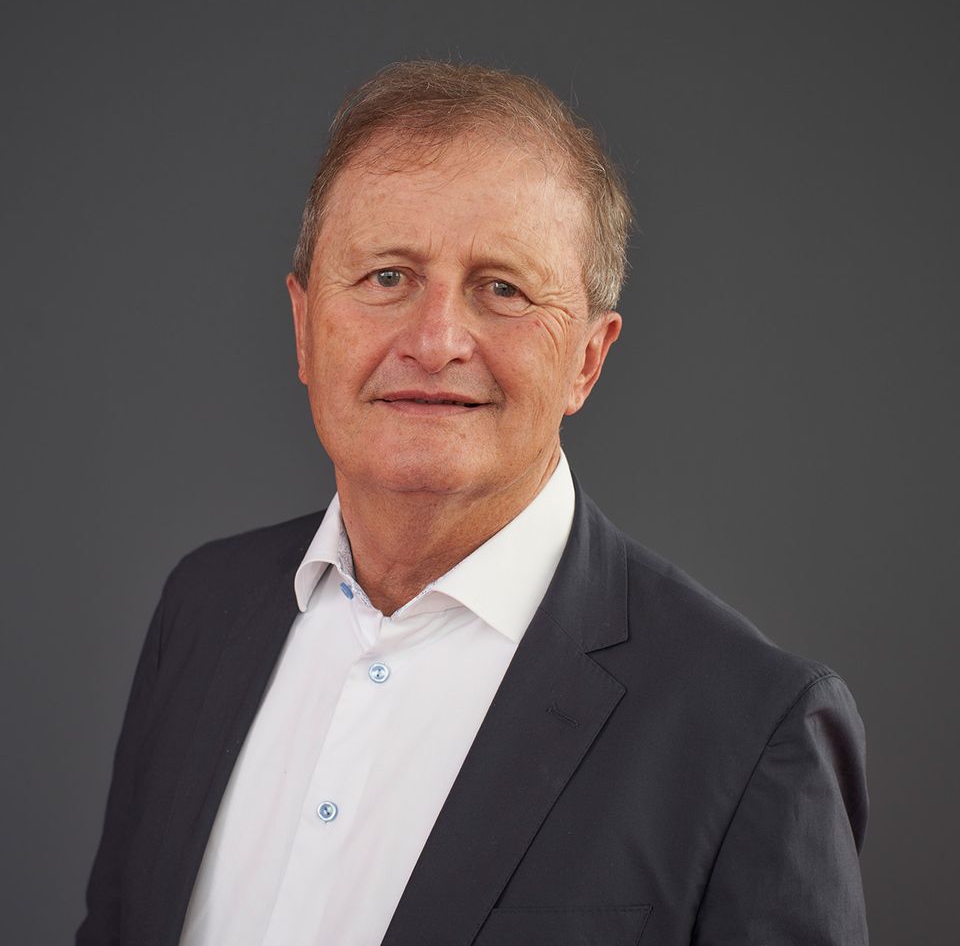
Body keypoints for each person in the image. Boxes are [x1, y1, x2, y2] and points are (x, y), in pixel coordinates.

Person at [77, 61, 868, 946]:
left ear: (587, 360)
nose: (435, 340)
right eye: (387, 276)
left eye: (502, 288)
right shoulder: (203, 610)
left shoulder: (749, 728)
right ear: (303, 327)